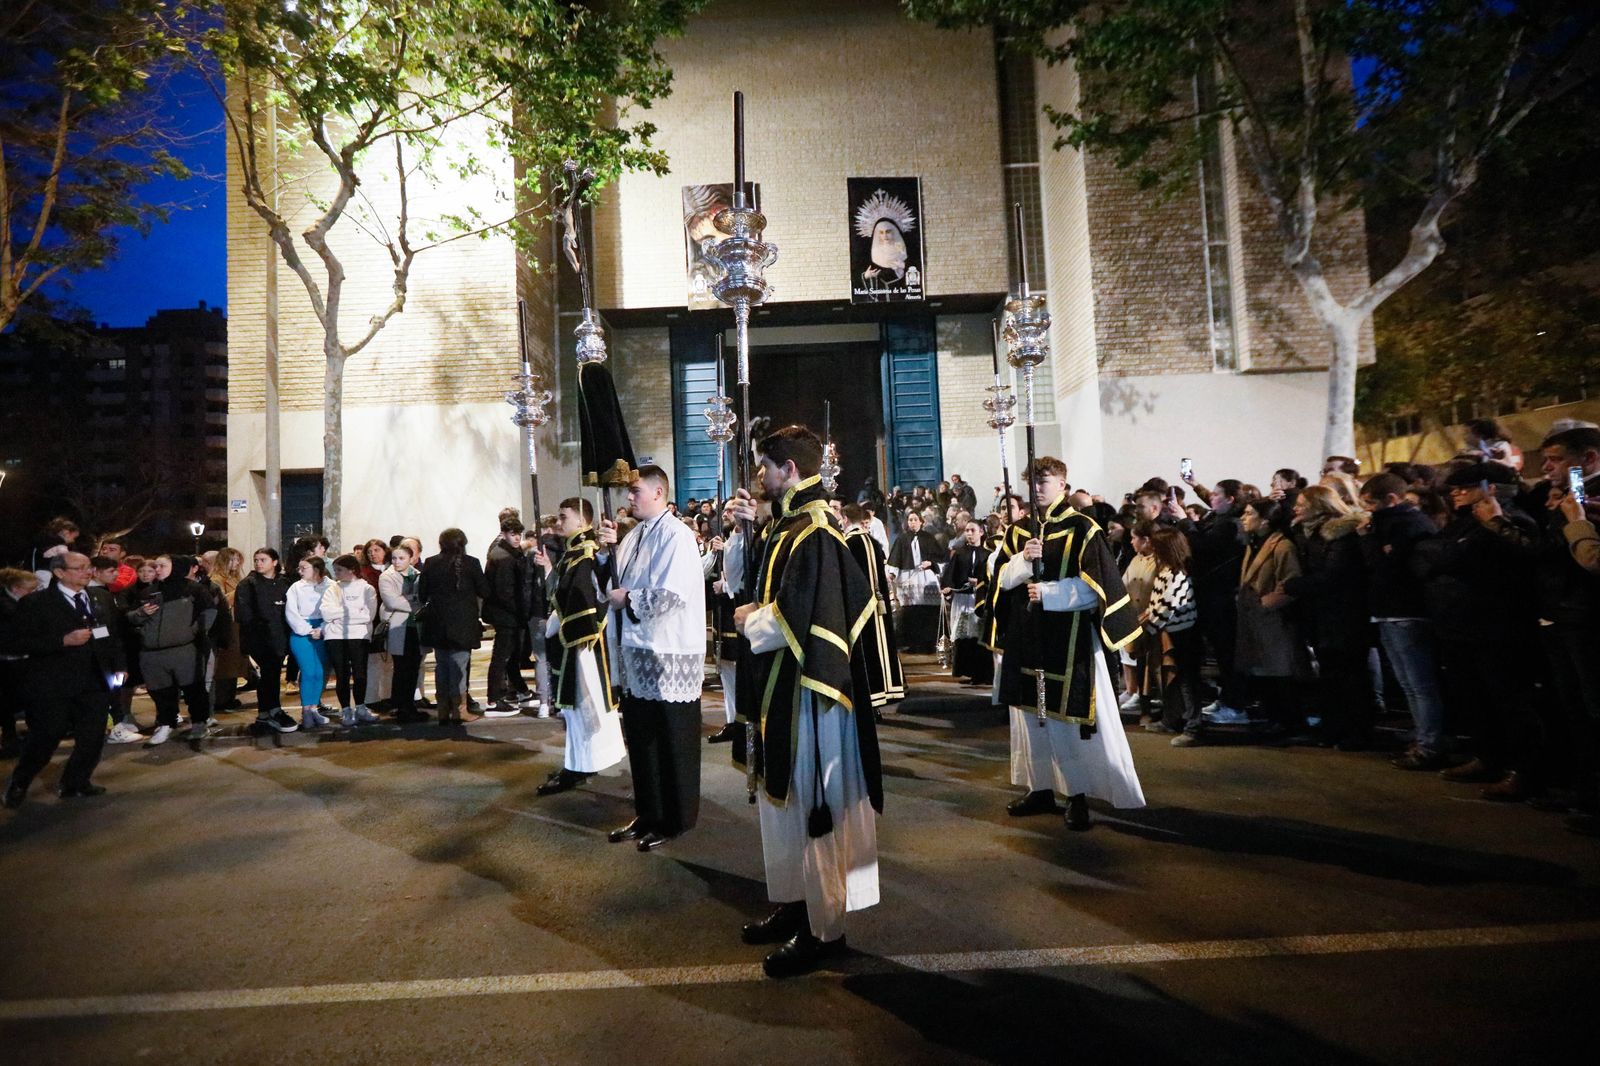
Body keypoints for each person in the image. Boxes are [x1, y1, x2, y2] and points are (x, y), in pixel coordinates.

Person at [727, 425, 882, 978]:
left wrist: (750, 620)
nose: (760, 477)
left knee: (814, 806)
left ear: (789, 469)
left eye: (765, 467)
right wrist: (746, 535)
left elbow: (799, 616)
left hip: (811, 694)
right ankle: (794, 903)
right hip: (784, 688)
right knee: (785, 806)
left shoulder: (815, 531)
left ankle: (824, 929)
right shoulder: (788, 526)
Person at [989, 456, 1144, 832]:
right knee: (1032, 719)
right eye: (1034, 481)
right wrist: (1024, 563)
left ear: (1063, 484)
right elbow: (1000, 580)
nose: (1039, 487)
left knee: (1066, 723)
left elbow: (1099, 589)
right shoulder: (1018, 532)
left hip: (1070, 642)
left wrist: (1052, 592)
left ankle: (1076, 795)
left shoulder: (1082, 528)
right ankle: (1040, 787)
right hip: (1029, 639)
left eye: (1046, 480)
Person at [1415, 463, 1540, 799]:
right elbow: (1430, 553)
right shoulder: (1465, 522)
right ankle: (1487, 757)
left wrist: (1445, 557)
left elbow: (1455, 558)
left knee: (1509, 702)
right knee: (1475, 699)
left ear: (1492, 488)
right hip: (1460, 626)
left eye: (1465, 487)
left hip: (1497, 628)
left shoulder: (1509, 521)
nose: (1455, 493)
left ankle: (1523, 770)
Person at [598, 465, 707, 852]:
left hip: (668, 652)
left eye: (636, 490)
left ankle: (675, 819)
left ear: (659, 492)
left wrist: (628, 598)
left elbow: (670, 594)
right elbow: (614, 582)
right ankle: (647, 812)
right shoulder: (635, 536)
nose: (630, 497)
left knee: (671, 741)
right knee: (642, 740)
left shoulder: (677, 535)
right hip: (638, 652)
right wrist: (604, 556)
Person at [3, 552, 125, 808]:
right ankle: (20, 780)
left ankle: (75, 782)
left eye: (88, 567)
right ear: (59, 573)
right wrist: (62, 641)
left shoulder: (100, 597)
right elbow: (15, 641)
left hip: (94, 682)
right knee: (47, 736)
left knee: (92, 736)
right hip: (53, 683)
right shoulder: (36, 603)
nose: (87, 572)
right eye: (79, 568)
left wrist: (120, 666)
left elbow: (113, 637)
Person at [535, 497, 626, 796]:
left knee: (583, 705)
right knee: (576, 708)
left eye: (564, 516)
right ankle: (577, 762)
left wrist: (562, 627)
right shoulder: (572, 552)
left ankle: (579, 765)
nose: (559, 522)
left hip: (582, 644)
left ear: (582, 520)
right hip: (573, 641)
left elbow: (591, 597)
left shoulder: (585, 552)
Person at [1227, 499, 1310, 737]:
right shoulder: (1253, 544)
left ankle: (1290, 724)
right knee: (1264, 672)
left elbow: (1290, 581)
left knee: (1279, 673)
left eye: (1249, 513)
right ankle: (1275, 720)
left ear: (1265, 520)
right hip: (1256, 619)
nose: (1244, 517)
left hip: (1273, 620)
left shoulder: (1282, 547)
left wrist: (1267, 603)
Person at [1171, 474, 1248, 722]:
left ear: (1230, 499)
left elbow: (1202, 547)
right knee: (1219, 650)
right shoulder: (1219, 518)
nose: (1211, 498)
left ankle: (1235, 705)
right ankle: (1226, 698)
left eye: (1216, 495)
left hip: (1220, 596)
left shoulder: (1230, 524)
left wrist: (1184, 520)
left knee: (1226, 652)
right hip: (1210, 594)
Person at [128, 555, 217, 746]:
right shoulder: (148, 591)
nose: (157, 569)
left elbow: (209, 612)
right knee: (160, 692)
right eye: (156, 565)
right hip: (152, 653)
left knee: (193, 689)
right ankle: (166, 724)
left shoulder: (192, 589)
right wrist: (141, 614)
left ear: (175, 567)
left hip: (183, 649)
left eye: (162, 566)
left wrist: (193, 632)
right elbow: (130, 617)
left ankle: (199, 723)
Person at [418, 528, 488, 726]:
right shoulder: (471, 563)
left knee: (442, 666)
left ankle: (442, 711)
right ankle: (459, 710)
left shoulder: (431, 562)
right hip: (463, 624)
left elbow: (423, 594)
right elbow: (484, 590)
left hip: (437, 624)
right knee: (459, 667)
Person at [841, 504, 905, 711]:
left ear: (846, 519)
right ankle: (886, 691)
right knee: (880, 645)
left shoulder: (848, 543)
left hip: (859, 607)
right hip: (878, 605)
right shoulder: (873, 542)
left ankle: (870, 700)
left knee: (864, 650)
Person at [1142, 527, 1201, 737]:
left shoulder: (1177, 575)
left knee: (1186, 680)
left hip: (1181, 634)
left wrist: (1146, 629)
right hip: (1170, 632)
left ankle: (1193, 728)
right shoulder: (1168, 571)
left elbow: (1166, 608)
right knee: (1174, 679)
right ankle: (1171, 719)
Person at [235, 548, 297, 733]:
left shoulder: (283, 582)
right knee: (269, 673)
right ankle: (272, 711)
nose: (258, 563)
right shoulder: (248, 584)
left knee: (273, 673)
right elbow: (244, 615)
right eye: (256, 560)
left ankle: (266, 713)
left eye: (263, 559)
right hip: (260, 639)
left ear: (275, 562)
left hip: (279, 636)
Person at [483, 518, 535, 717]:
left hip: (506, 613)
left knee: (511, 655)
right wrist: (521, 611)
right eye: (513, 534)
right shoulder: (503, 557)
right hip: (506, 614)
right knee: (502, 656)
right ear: (504, 533)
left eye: (518, 534)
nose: (517, 538)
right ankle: (493, 700)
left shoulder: (507, 553)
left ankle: (520, 690)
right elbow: (505, 591)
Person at [320, 554, 379, 727]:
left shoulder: (366, 589)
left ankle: (361, 706)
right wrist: (351, 612)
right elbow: (326, 613)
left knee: (360, 673)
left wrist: (340, 614)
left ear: (352, 570)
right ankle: (346, 709)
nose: (335, 573)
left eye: (339, 570)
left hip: (359, 636)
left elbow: (368, 615)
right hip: (336, 636)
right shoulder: (332, 589)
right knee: (342, 674)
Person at [377, 543, 429, 724]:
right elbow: (392, 601)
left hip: (416, 628)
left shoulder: (418, 575)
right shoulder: (386, 576)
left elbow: (424, 598)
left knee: (414, 667)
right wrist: (416, 605)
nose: (397, 562)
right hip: (399, 627)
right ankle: (402, 707)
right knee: (401, 668)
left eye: (401, 558)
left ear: (411, 558)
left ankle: (409, 705)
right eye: (394, 558)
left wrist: (415, 603)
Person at [940, 519, 992, 686]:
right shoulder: (959, 553)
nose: (969, 533)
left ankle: (982, 673)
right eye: (967, 530)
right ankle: (968, 671)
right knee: (965, 637)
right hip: (963, 599)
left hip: (979, 599)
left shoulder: (987, 555)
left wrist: (980, 582)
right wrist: (948, 587)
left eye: (972, 530)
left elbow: (991, 576)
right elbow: (950, 574)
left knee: (979, 636)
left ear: (981, 533)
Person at [285, 555, 334, 729]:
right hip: (301, 632)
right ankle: (306, 710)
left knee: (320, 671)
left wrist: (321, 628)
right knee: (308, 670)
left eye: (303, 568)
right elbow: (291, 613)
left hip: (323, 630)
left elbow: (334, 610)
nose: (300, 571)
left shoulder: (331, 586)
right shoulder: (295, 588)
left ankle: (314, 708)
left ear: (317, 570)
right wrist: (307, 630)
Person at [886, 510, 943, 652]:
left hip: (926, 578)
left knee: (928, 611)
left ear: (921, 521)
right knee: (910, 612)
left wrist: (931, 563)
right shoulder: (902, 539)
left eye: (915, 519)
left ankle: (929, 642)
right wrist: (892, 574)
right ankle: (911, 644)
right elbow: (895, 560)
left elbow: (941, 559)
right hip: (908, 577)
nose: (912, 522)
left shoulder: (929, 538)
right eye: (910, 520)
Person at [0, 568, 41, 759]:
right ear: (16, 588)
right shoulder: (7, 607)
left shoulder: (15, 603)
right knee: (8, 702)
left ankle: (20, 738)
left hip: (19, 659)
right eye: (30, 590)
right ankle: (11, 740)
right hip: (8, 662)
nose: (33, 593)